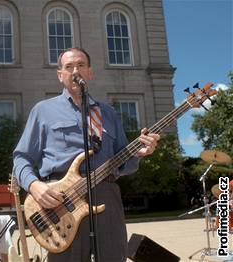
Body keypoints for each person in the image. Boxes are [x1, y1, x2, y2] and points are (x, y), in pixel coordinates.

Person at [13, 47, 160, 261]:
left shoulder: (107, 113)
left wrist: (139, 153)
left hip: (106, 198)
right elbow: (21, 158)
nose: (75, 71)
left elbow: (123, 162)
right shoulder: (43, 111)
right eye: (69, 67)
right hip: (60, 203)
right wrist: (34, 186)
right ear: (60, 75)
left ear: (90, 72)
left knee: (112, 256)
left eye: (81, 65)